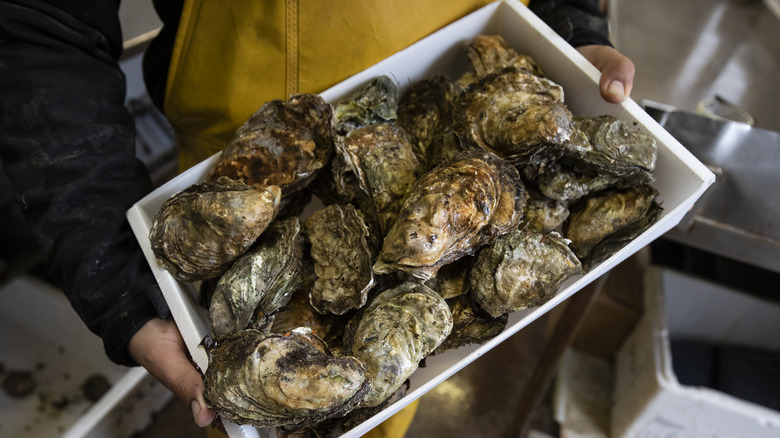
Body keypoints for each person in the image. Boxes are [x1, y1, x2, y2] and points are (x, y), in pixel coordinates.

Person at [0, 0, 634, 431]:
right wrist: (112, 271)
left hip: (456, 85)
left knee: (377, 402)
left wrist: (573, 29)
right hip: (245, 163)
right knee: (264, 399)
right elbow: (39, 26)